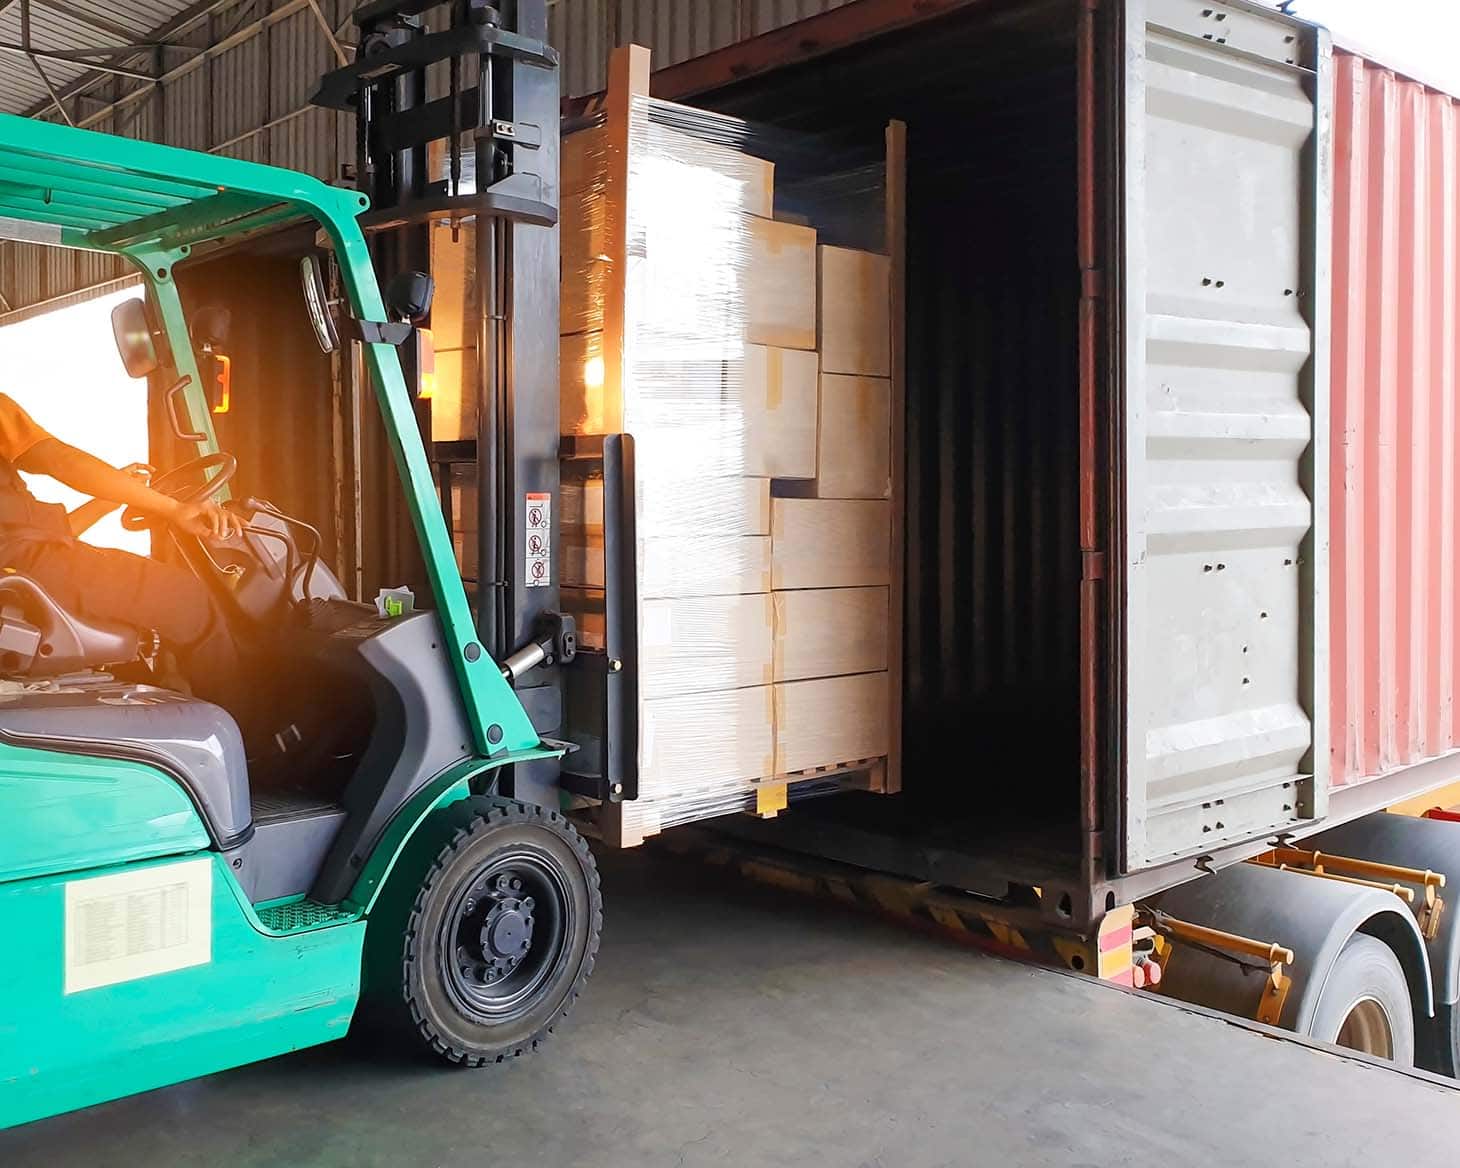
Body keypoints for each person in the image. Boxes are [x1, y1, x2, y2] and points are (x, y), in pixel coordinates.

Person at [0, 392, 244, 709]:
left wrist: (110, 500)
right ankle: (249, 740)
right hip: (22, 574)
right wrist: (173, 509)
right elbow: (59, 460)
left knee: (145, 611)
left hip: (23, 571)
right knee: (189, 601)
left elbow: (36, 537)